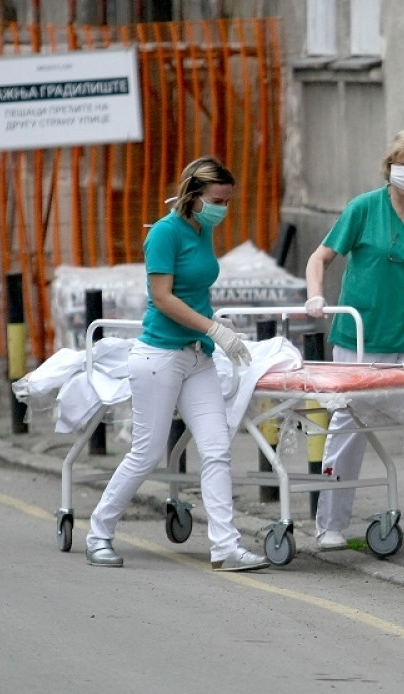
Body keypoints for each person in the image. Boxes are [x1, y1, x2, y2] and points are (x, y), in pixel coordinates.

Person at [85, 155, 270, 572]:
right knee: (147, 454)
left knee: (217, 450)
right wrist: (213, 328)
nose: (224, 207)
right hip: (159, 357)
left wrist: (214, 328)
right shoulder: (165, 234)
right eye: (218, 199)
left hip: (196, 355)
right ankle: (98, 533)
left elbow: (195, 289)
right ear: (195, 195)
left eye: (228, 200)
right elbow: (163, 299)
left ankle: (225, 547)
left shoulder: (200, 229)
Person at [304, 130, 404, 550]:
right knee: (349, 424)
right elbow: (319, 257)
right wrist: (316, 295)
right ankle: (330, 524)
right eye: (399, 162)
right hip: (362, 337)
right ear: (388, 165)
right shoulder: (364, 208)